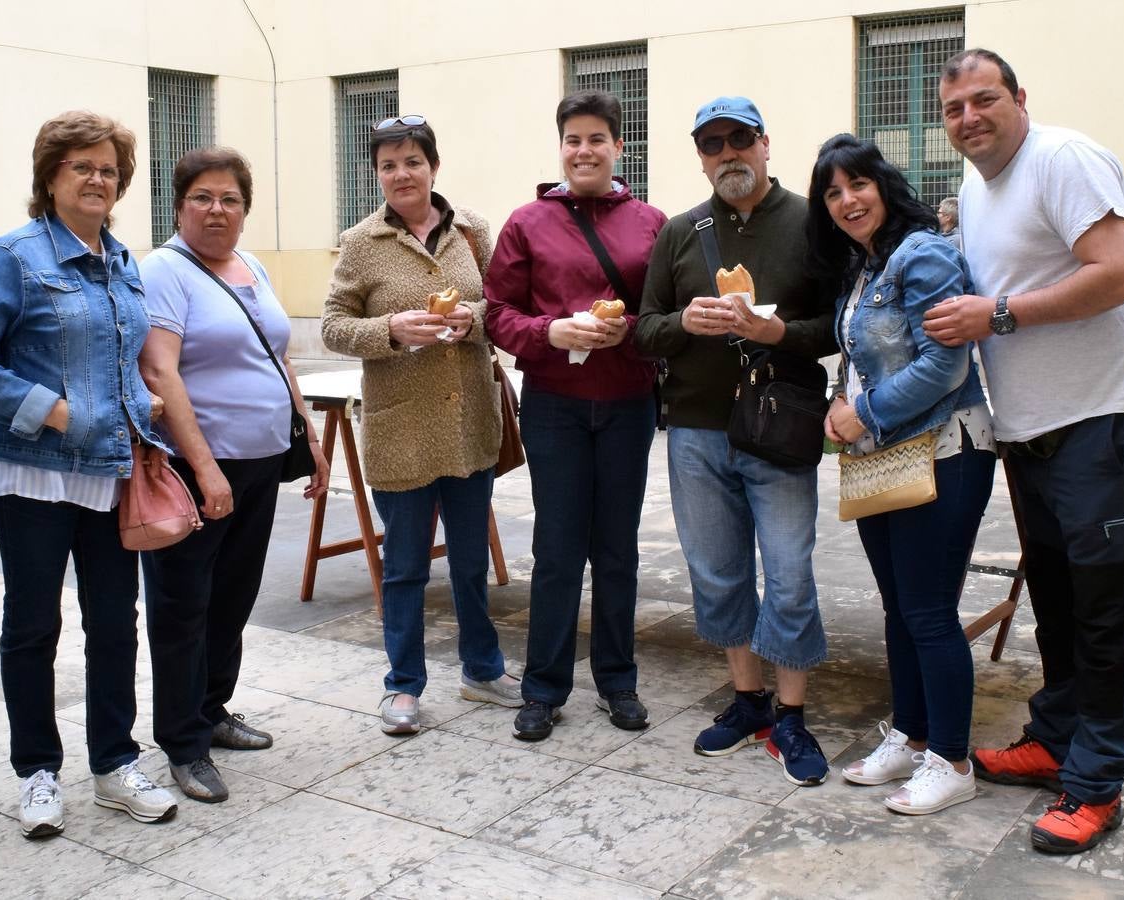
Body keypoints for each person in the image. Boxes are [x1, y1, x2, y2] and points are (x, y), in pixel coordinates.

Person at [925, 49, 1124, 853]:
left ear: (1019, 99)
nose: (970, 117)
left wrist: (997, 315)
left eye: (985, 99)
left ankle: (1096, 782)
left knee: (1107, 611)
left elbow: (1119, 274)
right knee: (1060, 604)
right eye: (956, 107)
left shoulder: (1063, 159)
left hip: (1108, 420)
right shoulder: (975, 183)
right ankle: (1057, 736)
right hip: (1034, 431)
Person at [0, 111, 178, 836]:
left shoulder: (122, 260)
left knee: (114, 623)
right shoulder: (13, 257)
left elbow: (123, 358)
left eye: (108, 168)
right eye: (82, 166)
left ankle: (113, 765)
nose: (98, 178)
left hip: (109, 473)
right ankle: (37, 771)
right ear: (50, 177)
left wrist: (142, 401)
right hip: (32, 474)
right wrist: (52, 411)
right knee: (32, 625)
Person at [635, 97, 836, 786]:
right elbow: (645, 328)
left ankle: (791, 712)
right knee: (718, 572)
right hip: (696, 428)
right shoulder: (681, 232)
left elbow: (837, 326)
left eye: (739, 139)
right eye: (712, 144)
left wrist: (777, 333)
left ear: (765, 144)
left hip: (780, 428)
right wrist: (686, 321)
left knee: (788, 571)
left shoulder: (812, 222)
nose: (727, 154)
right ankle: (748, 699)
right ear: (700, 156)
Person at [806, 134, 996, 815]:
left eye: (857, 184)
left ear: (883, 184)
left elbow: (946, 364)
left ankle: (952, 759)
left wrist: (866, 414)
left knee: (927, 610)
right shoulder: (863, 268)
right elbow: (858, 350)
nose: (847, 200)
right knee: (898, 608)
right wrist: (838, 400)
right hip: (884, 457)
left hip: (945, 450)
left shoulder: (926, 253)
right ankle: (912, 737)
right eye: (832, 192)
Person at [138, 147, 330, 803]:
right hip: (197, 469)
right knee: (182, 605)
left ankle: (213, 710)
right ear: (179, 204)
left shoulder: (251, 265)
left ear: (245, 209)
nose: (217, 210)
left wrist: (307, 431)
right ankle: (182, 744)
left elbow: (278, 355)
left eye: (230, 199)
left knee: (233, 596)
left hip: (260, 461)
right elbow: (159, 371)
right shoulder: (163, 271)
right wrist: (204, 468)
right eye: (203, 197)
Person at [320, 117, 521, 735]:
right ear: (376, 174)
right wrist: (390, 331)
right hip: (400, 429)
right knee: (405, 564)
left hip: (467, 424)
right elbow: (331, 325)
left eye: (411, 161)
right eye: (388, 165)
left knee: (468, 560)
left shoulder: (473, 231)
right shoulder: (361, 242)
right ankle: (402, 685)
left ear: (433, 165)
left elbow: (504, 304)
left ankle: (482, 671)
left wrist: (473, 319)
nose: (401, 175)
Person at [484, 90, 666, 742]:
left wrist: (634, 333)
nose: (583, 150)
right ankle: (544, 687)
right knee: (557, 549)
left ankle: (618, 680)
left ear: (619, 147)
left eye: (596, 138)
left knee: (616, 551)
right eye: (572, 140)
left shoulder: (651, 222)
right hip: (555, 406)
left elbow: (666, 316)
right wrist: (549, 332)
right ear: (560, 148)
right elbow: (496, 312)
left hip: (627, 404)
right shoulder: (528, 222)